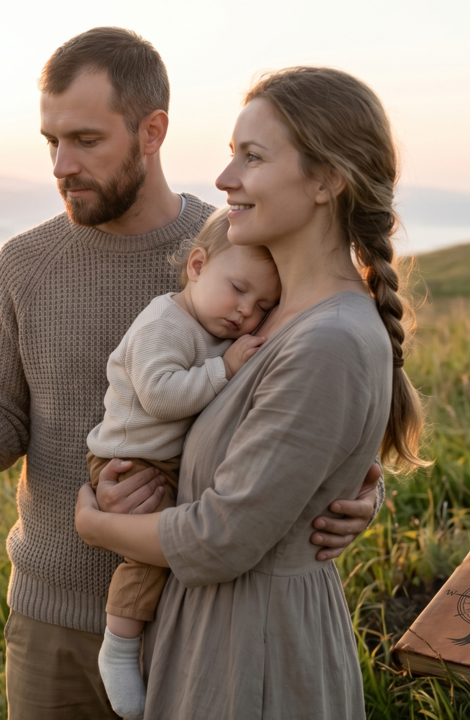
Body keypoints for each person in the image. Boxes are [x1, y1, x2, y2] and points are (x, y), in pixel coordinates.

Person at [0, 28, 384, 718]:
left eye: (86, 140)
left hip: (193, 613)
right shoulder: (23, 265)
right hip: (52, 618)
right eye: (51, 142)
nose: (62, 165)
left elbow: (305, 395)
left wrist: (351, 493)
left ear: (152, 132)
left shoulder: (239, 250)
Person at [74, 66, 429, 719]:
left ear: (326, 181)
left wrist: (97, 524)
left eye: (253, 157)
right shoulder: (270, 314)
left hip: (253, 654)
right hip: (215, 633)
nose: (224, 178)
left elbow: (221, 538)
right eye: (231, 153)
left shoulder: (327, 338)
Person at [87, 207, 281, 718]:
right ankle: (119, 646)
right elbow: (160, 397)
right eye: (238, 289)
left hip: (162, 457)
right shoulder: (164, 323)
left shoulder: (213, 324)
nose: (246, 312)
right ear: (197, 266)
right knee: (152, 552)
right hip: (130, 458)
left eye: (263, 305)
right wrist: (224, 368)